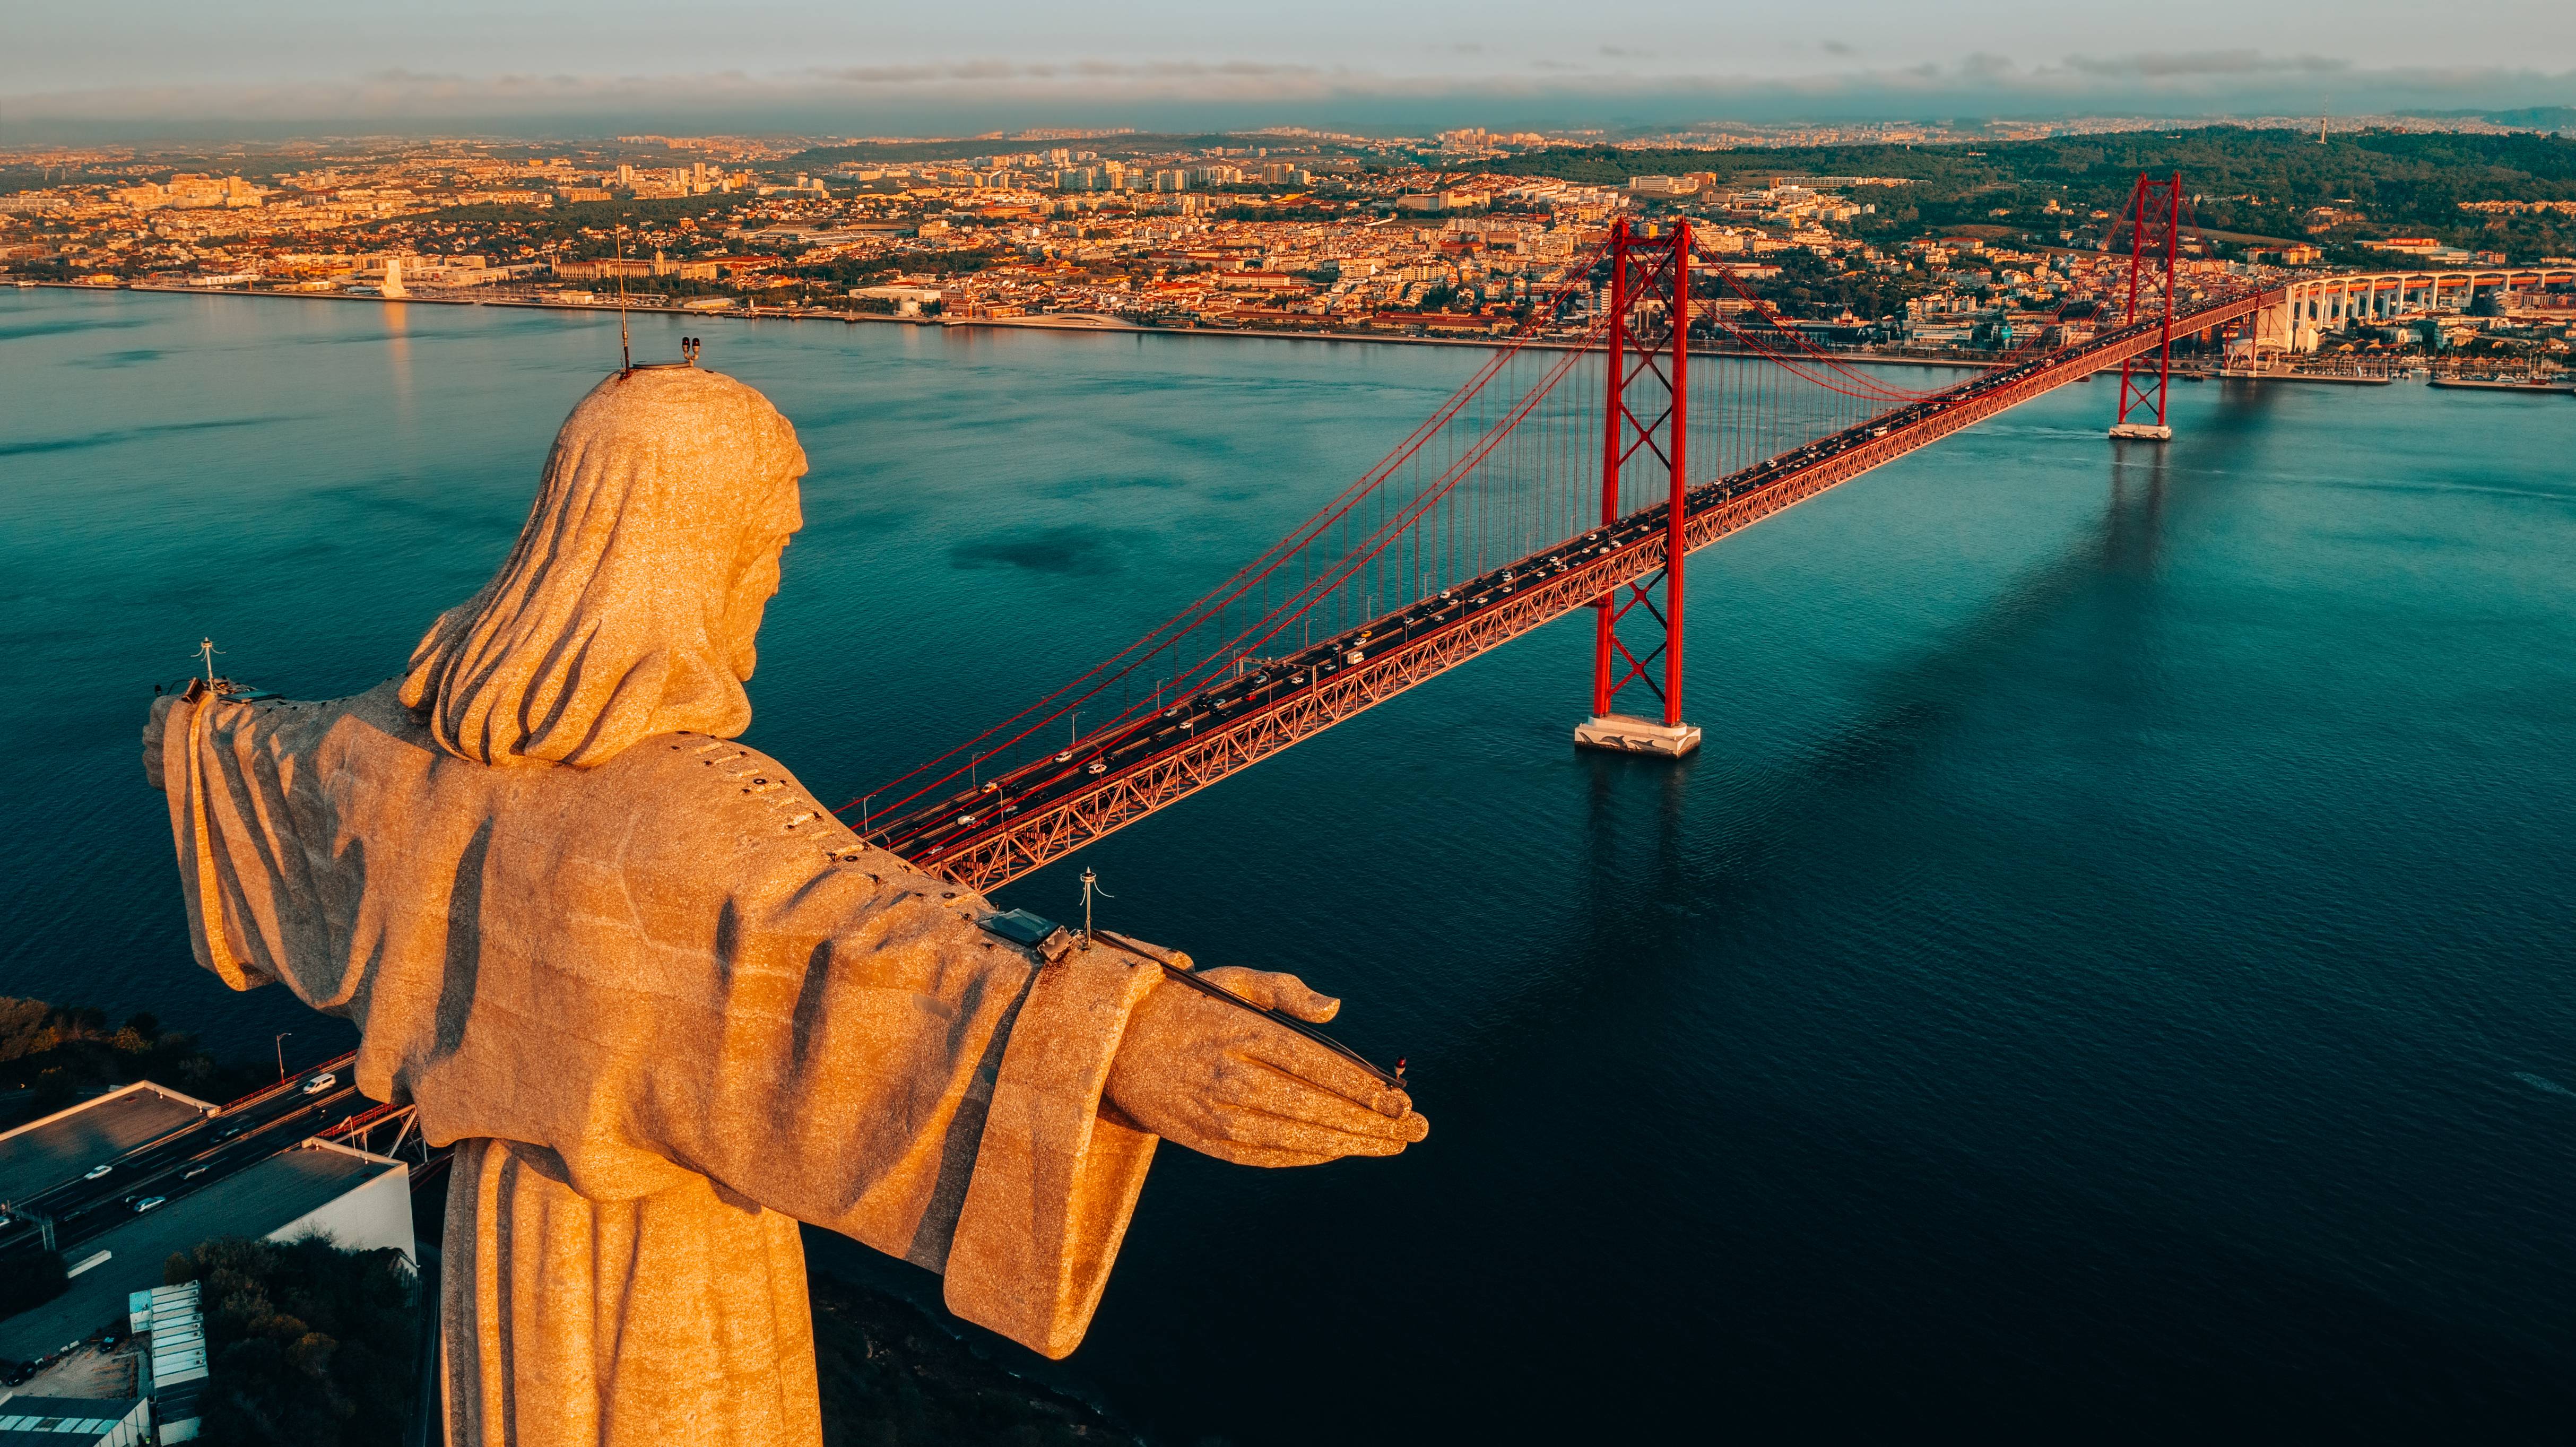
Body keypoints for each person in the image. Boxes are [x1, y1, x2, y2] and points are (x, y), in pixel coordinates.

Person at [144, 364, 1427, 1446]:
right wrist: (1138, 1030)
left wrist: (188, 734)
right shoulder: (698, 806)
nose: (769, 576)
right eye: (762, 544)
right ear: (687, 543)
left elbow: (256, 755)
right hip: (678, 1264)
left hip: (503, 1244)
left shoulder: (389, 744)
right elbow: (880, 959)